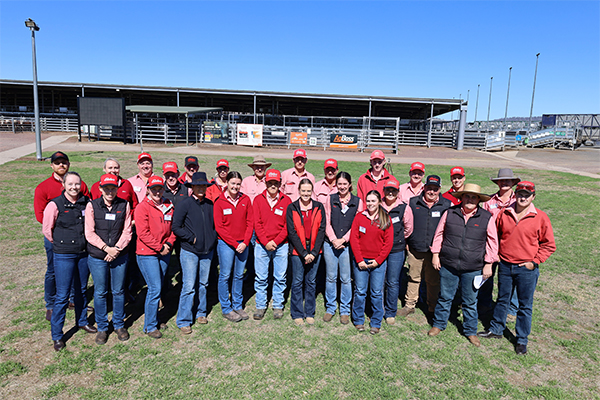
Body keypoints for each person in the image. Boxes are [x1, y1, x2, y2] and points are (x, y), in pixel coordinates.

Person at [478, 181, 556, 355]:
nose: (523, 198)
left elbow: (549, 244)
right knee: (502, 299)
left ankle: (521, 339)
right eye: (520, 194)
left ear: (533, 197)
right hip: (505, 264)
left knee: (524, 305)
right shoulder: (505, 213)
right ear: (516, 194)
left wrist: (535, 261)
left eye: (527, 195)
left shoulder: (540, 217)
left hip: (526, 269)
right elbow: (495, 235)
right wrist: (496, 255)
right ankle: (496, 329)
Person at [427, 184, 498, 347]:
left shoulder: (486, 217)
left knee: (470, 301)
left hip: (473, 267)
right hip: (449, 264)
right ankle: (438, 324)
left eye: (474, 197)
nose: (470, 200)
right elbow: (439, 234)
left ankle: (470, 331)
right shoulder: (449, 213)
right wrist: (436, 255)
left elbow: (492, 242)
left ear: (479, 200)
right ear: (462, 198)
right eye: (467, 196)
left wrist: (488, 263)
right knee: (445, 297)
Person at [42, 171, 96, 351]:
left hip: (83, 253)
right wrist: (61, 244)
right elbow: (47, 230)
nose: (74, 187)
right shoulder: (54, 205)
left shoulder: (86, 202)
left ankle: (81, 321)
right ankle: (57, 335)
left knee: (81, 290)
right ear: (64, 185)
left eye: (77, 184)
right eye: (70, 184)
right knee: (63, 294)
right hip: (63, 254)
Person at [34, 151, 90, 321]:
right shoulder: (43, 187)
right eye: (57, 163)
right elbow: (41, 215)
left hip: (78, 238)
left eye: (64, 162)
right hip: (55, 237)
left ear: (68, 164)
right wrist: (56, 237)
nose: (61, 165)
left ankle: (74, 300)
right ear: (52, 165)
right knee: (52, 271)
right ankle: (51, 304)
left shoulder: (81, 185)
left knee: (77, 272)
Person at [85, 174, 133, 344]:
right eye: (106, 188)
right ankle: (103, 327)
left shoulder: (124, 205)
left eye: (113, 188)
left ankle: (119, 324)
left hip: (119, 255)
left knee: (119, 291)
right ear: (100, 189)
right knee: (100, 292)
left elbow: (127, 231)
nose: (110, 191)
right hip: (98, 256)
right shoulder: (92, 206)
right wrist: (106, 248)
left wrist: (117, 249)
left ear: (117, 188)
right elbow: (89, 233)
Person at [398, 175, 452, 318]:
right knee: (413, 277)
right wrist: (407, 242)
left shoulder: (447, 205)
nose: (432, 192)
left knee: (433, 281)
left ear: (439, 189)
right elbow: (406, 223)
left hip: (435, 252)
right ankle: (410, 304)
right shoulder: (412, 202)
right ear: (424, 188)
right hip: (416, 248)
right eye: (429, 188)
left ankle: (432, 306)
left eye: (435, 189)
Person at [172, 172, 217, 334]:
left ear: (206, 187)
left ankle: (201, 312)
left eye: (203, 185)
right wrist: (192, 238)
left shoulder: (210, 205)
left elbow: (214, 226)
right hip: (190, 251)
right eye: (197, 185)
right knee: (189, 286)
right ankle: (184, 319)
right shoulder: (185, 204)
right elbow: (176, 227)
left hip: (207, 251)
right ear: (192, 187)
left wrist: (212, 240)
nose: (200, 188)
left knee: (203, 284)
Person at [134, 176, 176, 339]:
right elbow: (142, 233)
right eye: (154, 189)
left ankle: (156, 319)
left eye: (160, 189)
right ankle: (150, 326)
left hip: (164, 252)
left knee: (160, 286)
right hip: (148, 253)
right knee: (154, 287)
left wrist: (169, 244)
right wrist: (159, 247)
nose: (157, 192)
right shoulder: (142, 207)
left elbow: (173, 228)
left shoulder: (168, 205)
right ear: (148, 190)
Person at [350, 190, 394, 334]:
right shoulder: (359, 217)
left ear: (379, 202)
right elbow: (354, 239)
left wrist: (378, 260)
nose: (370, 204)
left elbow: (388, 243)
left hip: (377, 263)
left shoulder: (385, 219)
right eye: (368, 201)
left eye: (373, 201)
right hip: (361, 262)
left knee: (376, 292)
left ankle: (376, 321)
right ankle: (358, 320)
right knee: (360, 291)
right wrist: (359, 260)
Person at [479, 168, 521, 319]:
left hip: (511, 245)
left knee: (511, 278)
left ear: (512, 183)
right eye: (501, 180)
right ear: (497, 183)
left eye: (507, 181)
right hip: (491, 244)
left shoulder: (519, 201)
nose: (504, 183)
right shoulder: (489, 201)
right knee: (486, 276)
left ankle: (511, 308)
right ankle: (484, 304)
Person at [214, 171, 254, 322]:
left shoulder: (245, 200)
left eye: (238, 184)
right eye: (233, 183)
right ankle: (226, 307)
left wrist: (244, 242)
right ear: (227, 183)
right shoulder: (220, 201)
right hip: (226, 244)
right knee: (225, 275)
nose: (235, 186)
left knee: (238, 275)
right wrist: (235, 244)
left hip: (243, 244)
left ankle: (237, 304)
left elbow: (250, 222)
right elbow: (219, 227)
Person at [322, 171, 361, 324]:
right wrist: (333, 239)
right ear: (336, 185)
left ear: (350, 185)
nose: (342, 186)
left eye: (345, 184)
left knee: (345, 278)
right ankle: (330, 307)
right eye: (339, 184)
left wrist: (344, 239)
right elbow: (325, 220)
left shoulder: (357, 202)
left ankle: (344, 309)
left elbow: (358, 224)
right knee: (330, 277)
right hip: (330, 244)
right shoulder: (330, 199)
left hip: (347, 246)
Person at [252, 169, 291, 320]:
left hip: (281, 245)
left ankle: (278, 305)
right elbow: (257, 223)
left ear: (280, 183)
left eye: (276, 183)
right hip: (262, 245)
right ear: (266, 183)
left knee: (280, 277)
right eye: (270, 183)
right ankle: (261, 305)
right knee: (261, 277)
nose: (273, 185)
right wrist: (266, 242)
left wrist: (275, 241)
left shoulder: (286, 201)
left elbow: (288, 226)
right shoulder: (258, 200)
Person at [286, 178, 326, 326]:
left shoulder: (319, 207)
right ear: (299, 191)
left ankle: (309, 312)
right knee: (297, 282)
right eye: (303, 191)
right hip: (298, 252)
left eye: (309, 191)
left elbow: (322, 230)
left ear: (312, 191)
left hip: (315, 251)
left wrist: (314, 252)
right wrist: (304, 253)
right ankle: (297, 313)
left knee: (311, 282)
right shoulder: (292, 208)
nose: (306, 194)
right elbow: (292, 232)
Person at [381, 179, 414, 325]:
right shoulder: (378, 205)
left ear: (397, 192)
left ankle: (390, 312)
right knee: (379, 281)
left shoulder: (404, 208)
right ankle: (378, 310)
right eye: (388, 190)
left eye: (393, 190)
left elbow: (408, 229)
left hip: (396, 250)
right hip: (379, 249)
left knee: (393, 282)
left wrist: (398, 239)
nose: (390, 193)